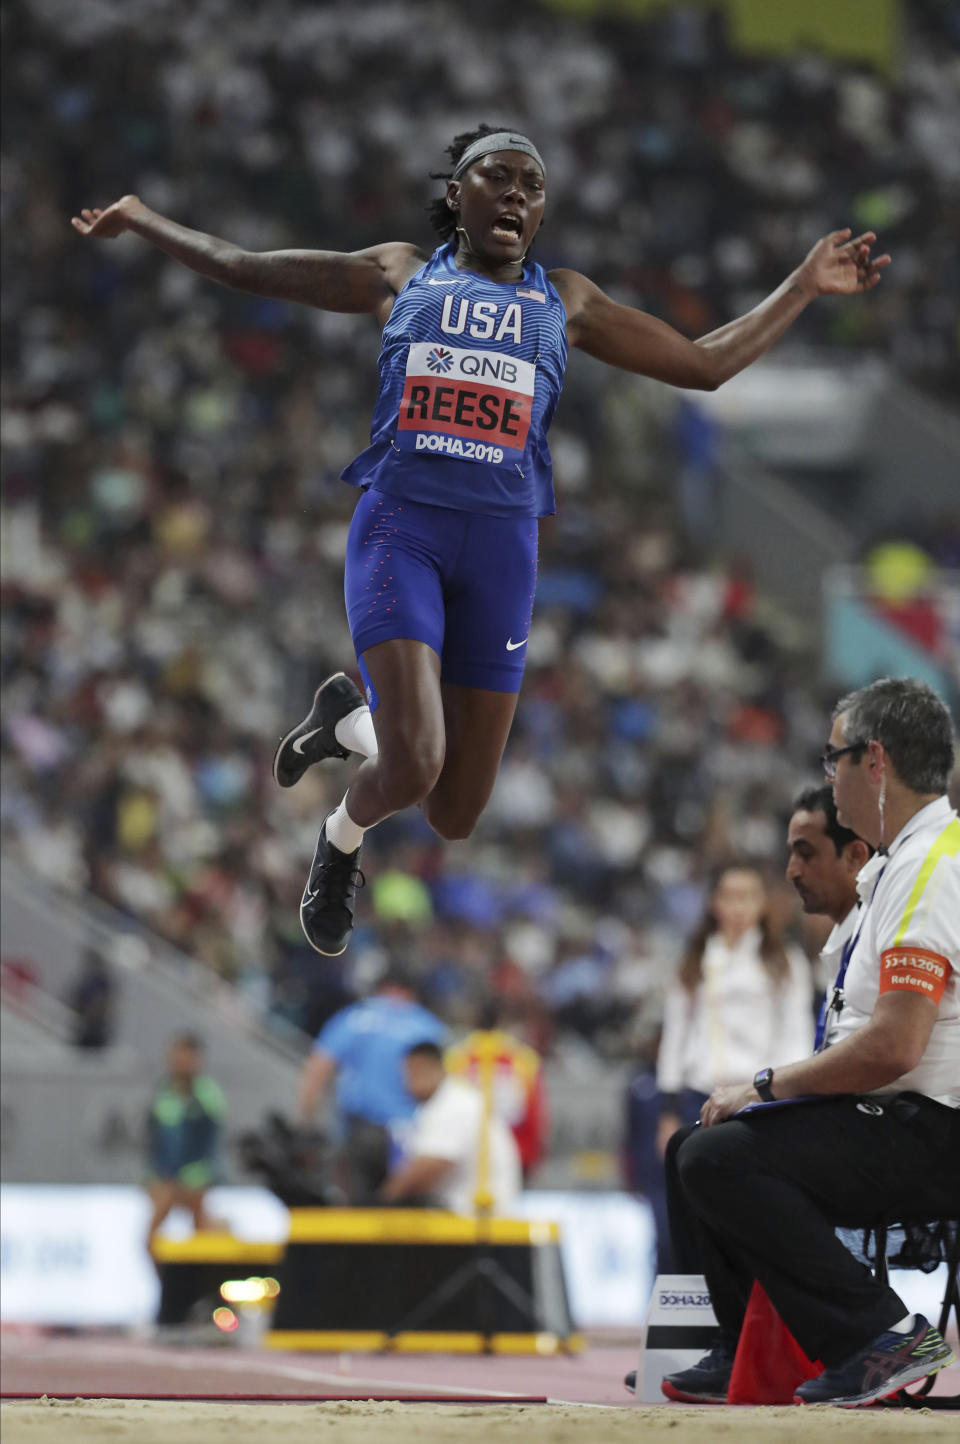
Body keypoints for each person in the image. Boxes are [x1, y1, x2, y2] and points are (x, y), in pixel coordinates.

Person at [72, 125, 890, 959]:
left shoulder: (565, 301)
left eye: (532, 187)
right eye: (497, 177)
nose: (516, 196)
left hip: (502, 555)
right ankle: (339, 843)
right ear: (456, 195)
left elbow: (705, 365)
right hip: (403, 532)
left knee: (454, 811)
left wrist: (802, 285)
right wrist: (144, 220)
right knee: (417, 762)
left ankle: (345, 721)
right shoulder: (400, 273)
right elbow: (248, 266)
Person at [662, 677, 959, 1408]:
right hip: (904, 1117)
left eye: (835, 761)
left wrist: (765, 1085)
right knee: (699, 1147)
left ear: (875, 761)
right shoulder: (903, 860)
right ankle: (746, 1350)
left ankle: (880, 1337)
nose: (831, 778)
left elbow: (893, 1047)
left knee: (718, 1155)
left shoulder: (932, 867)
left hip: (932, 1128)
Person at [652, 862, 813, 1270]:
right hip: (698, 1093)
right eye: (730, 896)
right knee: (689, 1207)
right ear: (714, 903)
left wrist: (783, 1099)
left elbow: (797, 1036)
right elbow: (675, 1034)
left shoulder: (784, 961)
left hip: (756, 1098)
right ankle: (690, 1302)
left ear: (762, 904)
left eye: (748, 896)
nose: (738, 906)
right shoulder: (696, 960)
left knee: (747, 1207)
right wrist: (668, 1109)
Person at [296, 962, 446, 1202]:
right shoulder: (427, 1025)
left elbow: (318, 1068)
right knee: (403, 1207)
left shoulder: (355, 1018)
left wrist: (306, 1120)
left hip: (360, 1128)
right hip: (410, 1133)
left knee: (356, 1206)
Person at [380, 1040, 522, 1215]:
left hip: (473, 1214)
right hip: (464, 1210)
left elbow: (425, 1170)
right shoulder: (445, 1102)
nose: (407, 1085)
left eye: (412, 1075)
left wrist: (380, 1202)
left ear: (429, 1068)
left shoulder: (453, 1104)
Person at [786, 783, 873, 1038]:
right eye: (792, 854)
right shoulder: (846, 943)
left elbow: (888, 1054)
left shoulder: (880, 939)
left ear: (855, 857)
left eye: (806, 854)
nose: (792, 872)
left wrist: (774, 1080)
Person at [445, 997, 548, 1180]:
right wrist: (532, 1155)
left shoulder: (457, 1058)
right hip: (513, 1151)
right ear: (502, 1020)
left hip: (466, 1153)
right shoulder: (522, 1058)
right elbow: (534, 1113)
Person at [145, 1032, 226, 1239]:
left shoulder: (207, 1094)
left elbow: (209, 1141)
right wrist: (157, 1175)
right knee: (152, 1235)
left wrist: (196, 1177)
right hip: (164, 1177)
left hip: (196, 1177)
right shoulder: (162, 1092)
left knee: (200, 1228)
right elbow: (155, 1139)